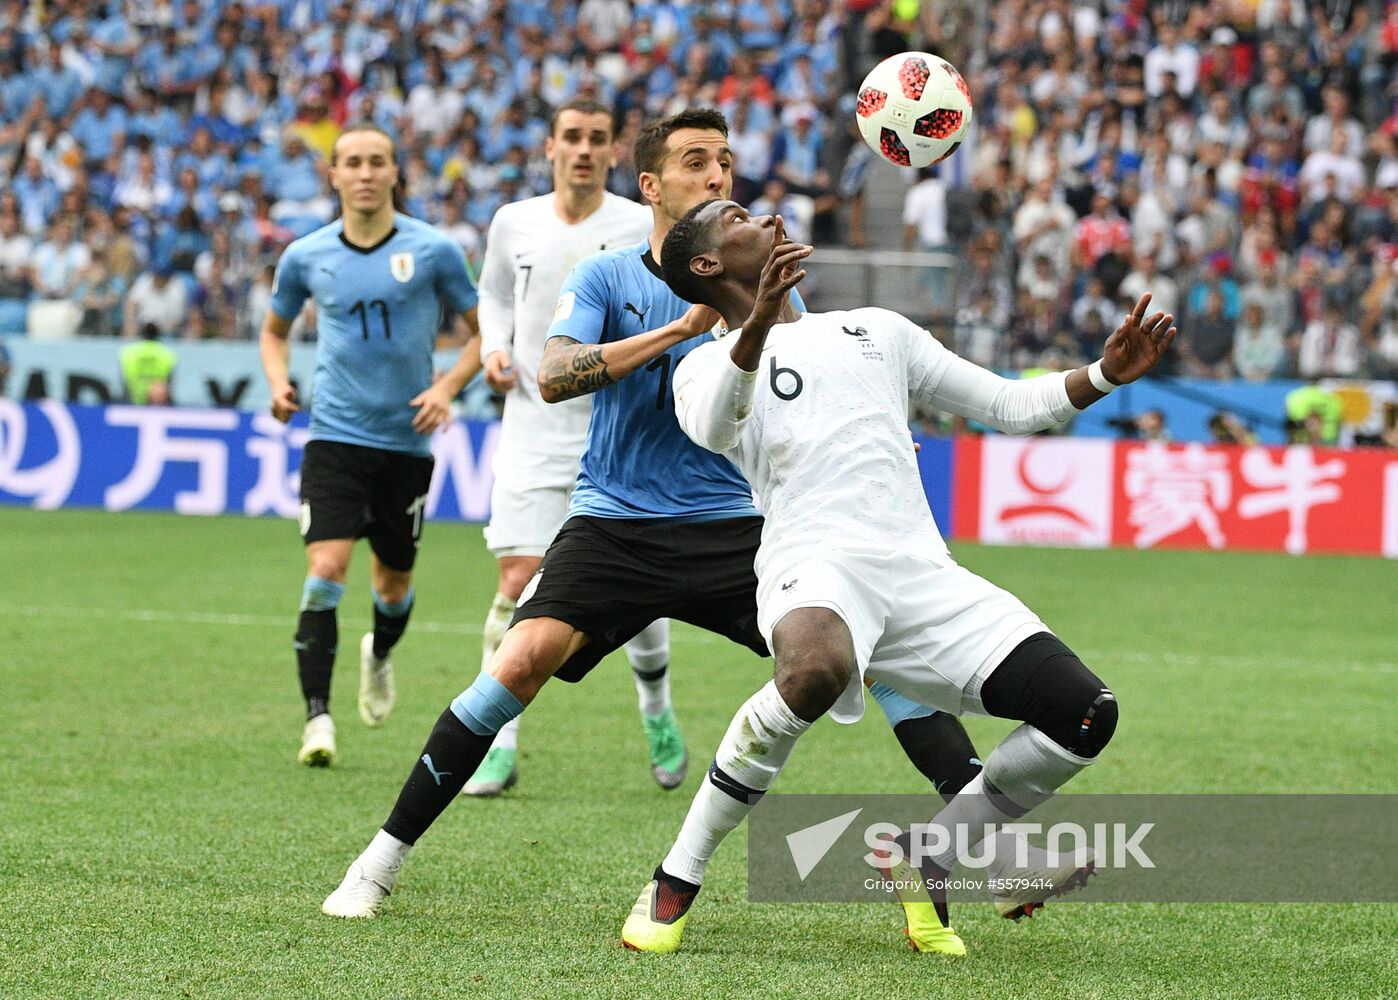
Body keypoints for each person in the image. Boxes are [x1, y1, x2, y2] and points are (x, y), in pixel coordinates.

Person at [321, 111, 1040, 935]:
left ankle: (995, 849)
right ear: (653, 186)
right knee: (516, 662)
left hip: (740, 525)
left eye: (727, 161)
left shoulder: (768, 288)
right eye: (698, 161)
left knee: (873, 660)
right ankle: (377, 864)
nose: (719, 175)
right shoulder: (605, 277)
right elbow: (553, 376)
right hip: (617, 523)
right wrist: (682, 329)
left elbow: (820, 383)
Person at [619, 201, 1175, 955]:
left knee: (1085, 714)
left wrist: (1105, 375)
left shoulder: (876, 329)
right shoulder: (701, 367)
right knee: (812, 671)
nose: (769, 214)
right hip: (811, 562)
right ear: (708, 266)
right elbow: (718, 428)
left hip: (920, 572)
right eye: (740, 216)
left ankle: (932, 857)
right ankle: (676, 876)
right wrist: (760, 324)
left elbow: (1009, 404)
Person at [463, 97, 686, 797]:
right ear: (550, 147)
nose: (584, 150)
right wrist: (495, 348)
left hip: (618, 432)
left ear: (614, 151)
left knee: (638, 593)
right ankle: (499, 742)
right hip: (532, 426)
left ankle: (656, 710)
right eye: (572, 138)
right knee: (516, 583)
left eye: (596, 139)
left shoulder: (633, 225)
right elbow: (492, 297)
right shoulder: (513, 222)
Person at [259, 123, 481, 768]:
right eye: (351, 162)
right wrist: (278, 384)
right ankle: (317, 721)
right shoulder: (305, 255)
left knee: (392, 586)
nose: (363, 173)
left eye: (376, 162)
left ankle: (379, 655)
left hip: (406, 445)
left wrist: (446, 388)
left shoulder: (435, 250)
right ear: (332, 175)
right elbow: (274, 334)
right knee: (326, 568)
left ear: (393, 174)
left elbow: (481, 333)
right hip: (333, 437)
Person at [120, 323, 177, 404]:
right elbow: (169, 380)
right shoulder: (167, 353)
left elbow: (124, 379)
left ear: (142, 334)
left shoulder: (128, 352)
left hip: (134, 400)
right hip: (158, 401)